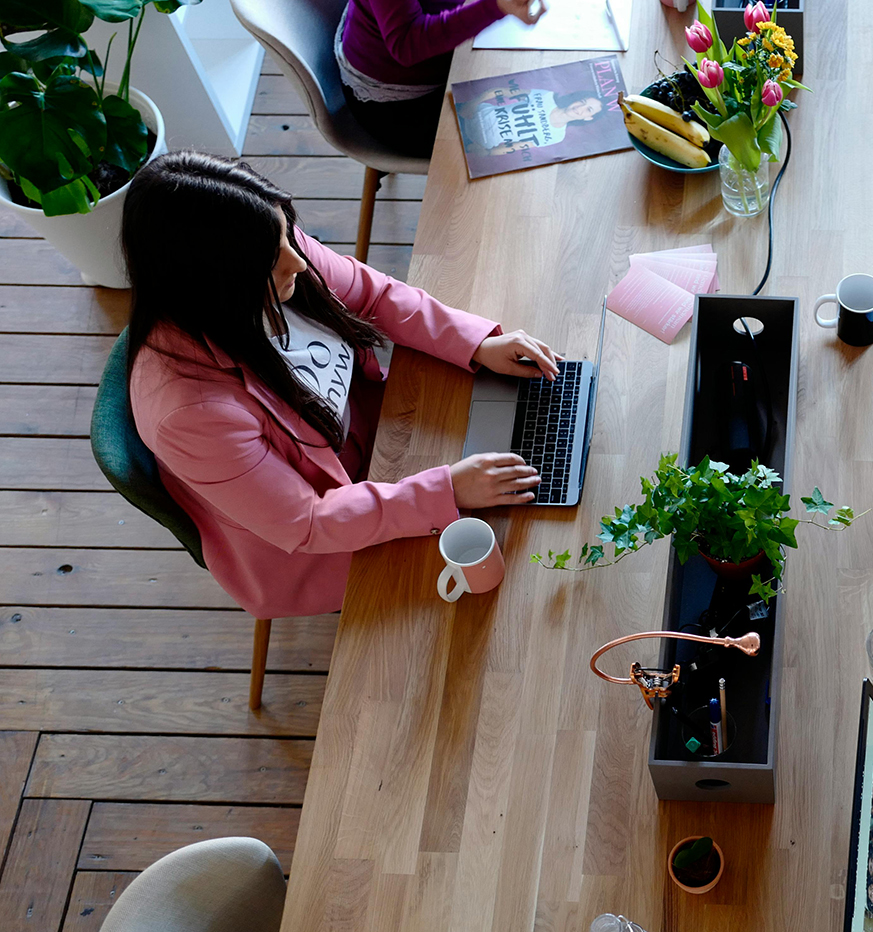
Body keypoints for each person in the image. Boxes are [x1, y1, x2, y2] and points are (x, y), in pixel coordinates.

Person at [124, 152, 561, 620]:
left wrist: (476, 344)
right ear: (213, 283)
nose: (299, 260)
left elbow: (373, 295)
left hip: (380, 441)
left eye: (288, 233)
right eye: (275, 257)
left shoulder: (268, 251)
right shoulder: (189, 415)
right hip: (317, 543)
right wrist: (446, 490)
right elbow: (308, 522)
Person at [336, 0, 545, 159]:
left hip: (443, 58)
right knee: (521, 149)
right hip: (400, 106)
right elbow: (407, 44)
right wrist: (494, 7)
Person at [466, 89, 604, 155]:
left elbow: (516, 146)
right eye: (582, 102)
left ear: (588, 118)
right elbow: (503, 91)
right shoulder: (546, 96)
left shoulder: (557, 136)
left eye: (588, 109)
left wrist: (486, 153)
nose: (579, 108)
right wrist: (472, 103)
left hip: (474, 142)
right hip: (470, 115)